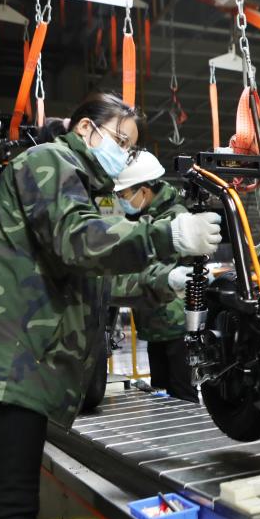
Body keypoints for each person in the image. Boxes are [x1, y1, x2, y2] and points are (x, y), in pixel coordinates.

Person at [0, 92, 222, 519]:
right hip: (6, 368)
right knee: (7, 514)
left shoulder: (82, 187)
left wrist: (167, 281)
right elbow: (80, 240)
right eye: (120, 141)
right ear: (85, 128)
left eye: (131, 149)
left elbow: (100, 281)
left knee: (14, 510)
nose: (124, 155)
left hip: (18, 371)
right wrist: (169, 234)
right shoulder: (47, 162)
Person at [110, 151, 198, 402]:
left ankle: (191, 439)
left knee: (181, 394)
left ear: (145, 191)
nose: (121, 201)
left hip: (174, 324)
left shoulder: (173, 218)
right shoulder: (150, 218)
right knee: (162, 394)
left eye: (124, 195)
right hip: (157, 322)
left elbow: (153, 267)